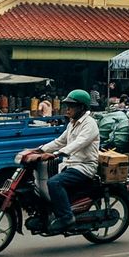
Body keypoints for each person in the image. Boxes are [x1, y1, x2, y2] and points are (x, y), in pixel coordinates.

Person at [26, 89, 99, 233]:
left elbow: (79, 143)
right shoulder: (72, 123)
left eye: (71, 106)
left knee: (54, 182)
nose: (67, 109)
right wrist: (40, 150)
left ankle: (66, 218)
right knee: (43, 182)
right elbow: (60, 141)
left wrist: (56, 154)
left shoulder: (89, 124)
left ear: (82, 107)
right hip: (70, 164)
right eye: (67, 106)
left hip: (84, 166)